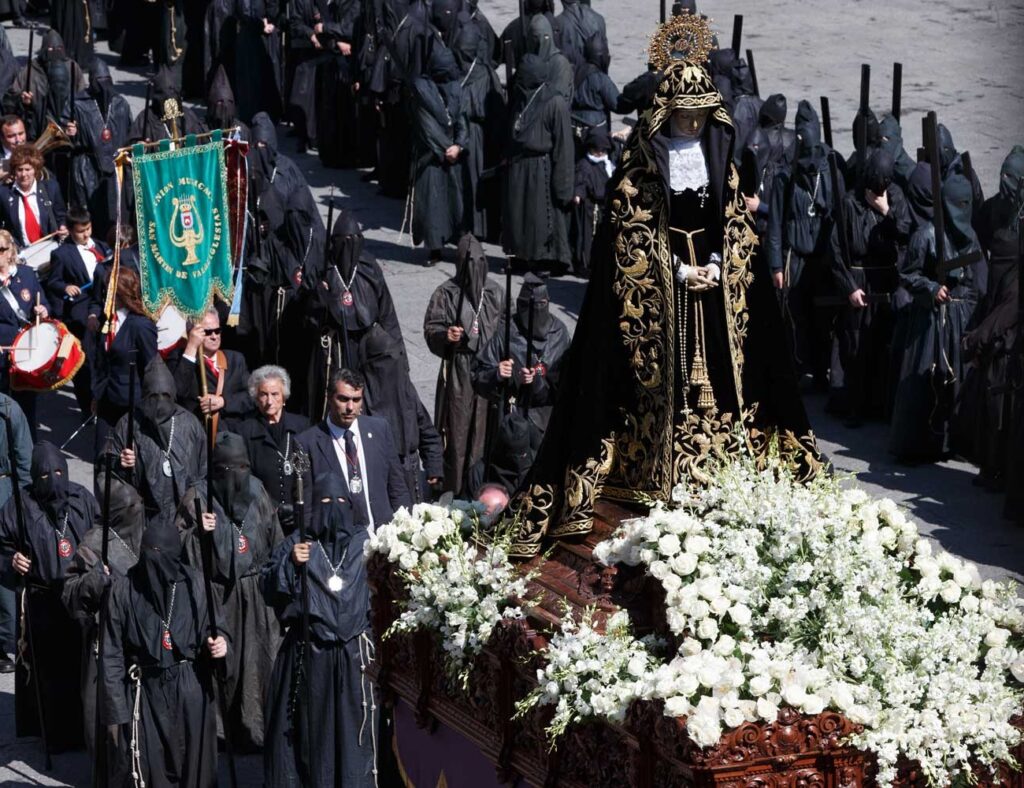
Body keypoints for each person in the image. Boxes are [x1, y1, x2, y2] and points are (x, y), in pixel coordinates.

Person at [505, 31, 823, 558]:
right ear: (667, 114)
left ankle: (725, 460)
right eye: (684, 116)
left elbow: (734, 224)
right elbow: (628, 235)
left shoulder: (720, 160)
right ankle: (652, 465)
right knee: (653, 385)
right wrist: (674, 269)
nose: (693, 125)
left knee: (729, 382)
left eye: (700, 116)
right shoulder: (640, 165)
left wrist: (721, 264)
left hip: (716, 297)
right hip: (661, 299)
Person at [262, 472, 377, 787]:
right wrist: (290, 565)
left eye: (340, 501)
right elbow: (268, 586)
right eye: (325, 502)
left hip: (355, 658)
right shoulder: (298, 542)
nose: (333, 508)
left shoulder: (364, 544)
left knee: (355, 737)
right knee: (315, 736)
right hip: (311, 656)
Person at [177, 432, 283, 752]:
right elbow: (180, 549)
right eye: (228, 470)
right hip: (219, 596)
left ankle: (258, 730)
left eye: (242, 468)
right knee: (226, 664)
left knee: (260, 662)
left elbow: (275, 541)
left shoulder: (257, 491)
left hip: (257, 593)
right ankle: (223, 733)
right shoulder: (197, 497)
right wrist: (199, 533)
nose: (236, 477)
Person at [101, 523, 227, 788]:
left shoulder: (195, 584)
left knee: (196, 766)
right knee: (150, 766)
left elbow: (215, 629)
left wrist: (221, 645)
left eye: (159, 551)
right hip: (145, 690)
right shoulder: (124, 589)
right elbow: (111, 653)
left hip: (190, 684)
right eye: (147, 550)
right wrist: (117, 713)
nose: (152, 558)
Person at [0, 442, 100, 752]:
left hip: (78, 598)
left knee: (82, 667)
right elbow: (2, 545)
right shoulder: (20, 505)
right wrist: (12, 559)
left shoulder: (81, 498)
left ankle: (86, 730)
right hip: (42, 599)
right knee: (49, 671)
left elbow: (101, 534)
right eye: (45, 474)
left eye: (58, 471)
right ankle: (54, 735)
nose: (53, 479)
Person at [890, 168, 981, 463]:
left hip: (961, 318)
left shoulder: (971, 236)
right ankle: (920, 444)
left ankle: (956, 441)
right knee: (925, 382)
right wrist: (930, 288)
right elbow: (908, 273)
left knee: (958, 382)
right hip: (932, 322)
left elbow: (977, 277)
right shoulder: (926, 235)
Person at [61, 478, 145, 766]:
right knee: (106, 718)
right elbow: (70, 593)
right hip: (105, 641)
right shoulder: (93, 544)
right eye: (131, 508)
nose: (137, 513)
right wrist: (97, 579)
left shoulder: (145, 535)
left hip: (141, 640)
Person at [955, 146, 1023, 487]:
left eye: (1013, 178)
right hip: (993, 297)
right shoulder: (996, 207)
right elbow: (975, 235)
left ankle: (1001, 467)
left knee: (1002, 396)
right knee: (986, 387)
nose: (1006, 183)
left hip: (1011, 312)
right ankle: (988, 462)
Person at [830, 150, 911, 426]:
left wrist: (885, 211)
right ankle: (855, 406)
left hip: (886, 280)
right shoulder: (850, 202)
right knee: (855, 344)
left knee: (882, 343)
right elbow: (837, 250)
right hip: (860, 281)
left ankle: (879, 404)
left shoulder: (896, 197)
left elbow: (905, 233)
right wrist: (849, 287)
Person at [767, 100, 845, 390]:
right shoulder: (785, 177)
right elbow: (775, 223)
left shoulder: (830, 172)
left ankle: (822, 369)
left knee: (823, 318)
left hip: (823, 258)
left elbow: (839, 216)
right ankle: (800, 368)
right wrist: (776, 264)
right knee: (796, 317)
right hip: (795, 258)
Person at [424, 234, 504, 496]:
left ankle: (480, 488)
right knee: (456, 432)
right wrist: (446, 336)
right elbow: (432, 328)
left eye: (479, 263)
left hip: (487, 367)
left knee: (484, 431)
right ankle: (454, 489)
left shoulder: (494, 293)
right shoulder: (446, 293)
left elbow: (506, 328)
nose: (474, 269)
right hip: (459, 367)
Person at [305, 210, 403, 419]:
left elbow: (386, 311)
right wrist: (318, 297)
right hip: (334, 349)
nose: (349, 246)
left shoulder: (369, 268)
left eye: (354, 241)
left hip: (367, 348)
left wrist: (399, 356)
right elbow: (306, 317)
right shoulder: (323, 268)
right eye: (344, 241)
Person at [297, 368, 411, 528]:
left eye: (356, 400)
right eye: (343, 399)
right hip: (340, 543)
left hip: (383, 538)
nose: (350, 407)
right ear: (329, 398)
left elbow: (397, 487)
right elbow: (307, 507)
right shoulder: (308, 443)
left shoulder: (379, 429)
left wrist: (406, 531)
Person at [473, 273, 570, 442]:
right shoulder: (507, 332)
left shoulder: (559, 333)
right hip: (512, 420)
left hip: (547, 423)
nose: (536, 312)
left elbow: (568, 380)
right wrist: (496, 374)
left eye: (541, 305)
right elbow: (477, 374)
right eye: (529, 306)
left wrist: (537, 381)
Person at [112, 356, 207, 527]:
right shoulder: (129, 424)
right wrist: (121, 463)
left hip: (185, 517)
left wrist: (195, 506)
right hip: (145, 519)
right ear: (144, 396)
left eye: (165, 395)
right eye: (153, 396)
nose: (159, 402)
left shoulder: (190, 424)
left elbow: (204, 470)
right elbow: (108, 473)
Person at [502, 54, 574, 275]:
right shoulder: (521, 96)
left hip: (541, 168)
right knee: (518, 215)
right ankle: (521, 256)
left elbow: (563, 147)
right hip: (519, 166)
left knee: (539, 218)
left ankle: (543, 259)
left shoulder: (554, 102)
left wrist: (563, 185)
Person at [359, 325, 444, 502]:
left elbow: (428, 433)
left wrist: (434, 467)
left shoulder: (405, 391)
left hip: (409, 474)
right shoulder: (359, 398)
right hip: (377, 478)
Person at [45, 207, 110, 415]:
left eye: (88, 229)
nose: (86, 234)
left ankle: (105, 400)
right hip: (81, 310)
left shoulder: (100, 246)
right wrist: (65, 287)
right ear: (71, 232)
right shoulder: (62, 254)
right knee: (87, 362)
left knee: (105, 357)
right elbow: (53, 281)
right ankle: (87, 408)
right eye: (81, 231)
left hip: (104, 305)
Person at [231, 365, 309, 534]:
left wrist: (298, 507)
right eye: (263, 394)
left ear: (284, 397)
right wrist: (273, 509)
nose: (269, 401)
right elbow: (245, 480)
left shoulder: (302, 427)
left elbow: (309, 474)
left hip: (299, 518)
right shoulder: (243, 431)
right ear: (256, 398)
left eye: (275, 394)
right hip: (262, 520)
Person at [409, 47, 468, 266]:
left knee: (455, 203)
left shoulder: (454, 89)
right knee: (433, 205)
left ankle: (458, 243)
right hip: (432, 156)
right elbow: (427, 128)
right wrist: (446, 148)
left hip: (452, 154)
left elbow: (462, 119)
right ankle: (434, 248)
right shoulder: (421, 91)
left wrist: (459, 145)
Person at [451, 23, 505, 243]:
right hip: (465, 129)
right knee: (461, 181)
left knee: (474, 180)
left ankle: (477, 226)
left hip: (477, 133)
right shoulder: (462, 70)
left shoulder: (484, 73)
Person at [68, 60, 133, 237]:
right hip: (87, 165)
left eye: (106, 80)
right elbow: (64, 135)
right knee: (90, 209)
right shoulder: (79, 103)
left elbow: (129, 133)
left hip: (115, 166)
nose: (103, 86)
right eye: (99, 81)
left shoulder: (121, 103)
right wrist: (71, 133)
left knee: (115, 211)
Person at [0, 227, 51, 435]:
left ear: (10, 250)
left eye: (1, 249)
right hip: (2, 353)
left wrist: (43, 310)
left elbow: (45, 303)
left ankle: (27, 454)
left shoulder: (27, 274)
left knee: (26, 407)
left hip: (26, 353)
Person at [171, 307, 252, 426]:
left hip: (232, 434)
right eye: (207, 332)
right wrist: (191, 348)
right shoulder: (180, 358)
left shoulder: (235, 359)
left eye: (217, 330)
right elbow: (177, 394)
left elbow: (252, 396)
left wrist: (223, 401)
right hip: (199, 432)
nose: (214, 336)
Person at [3, 28, 85, 140]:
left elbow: (82, 95)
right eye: (51, 49)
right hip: (37, 122)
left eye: (59, 48)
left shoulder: (72, 67)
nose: (55, 52)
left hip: (66, 121)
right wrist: (23, 101)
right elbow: (11, 98)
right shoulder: (31, 69)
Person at [0, 392, 30, 674]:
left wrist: (24, 511)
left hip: (4, 501)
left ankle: (3, 643)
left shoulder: (10, 410)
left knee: (6, 576)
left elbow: (24, 464)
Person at [0, 143, 68, 248]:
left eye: (28, 169)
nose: (24, 175)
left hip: (51, 247)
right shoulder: (4, 193)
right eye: (20, 169)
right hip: (22, 252)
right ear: (14, 171)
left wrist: (63, 226)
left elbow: (61, 216)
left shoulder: (51, 188)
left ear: (35, 170)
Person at [571, 126, 614, 276]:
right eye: (597, 150)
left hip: (604, 206)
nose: (600, 153)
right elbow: (580, 182)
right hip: (590, 208)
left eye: (603, 150)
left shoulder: (606, 163)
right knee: (588, 237)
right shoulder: (585, 164)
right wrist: (578, 194)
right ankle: (586, 263)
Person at [129, 66, 208, 143]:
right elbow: (133, 144)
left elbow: (202, 142)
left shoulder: (187, 116)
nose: (169, 107)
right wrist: (141, 147)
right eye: (164, 101)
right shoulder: (145, 118)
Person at [527, 15, 573, 103]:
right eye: (533, 37)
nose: (537, 42)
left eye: (539, 37)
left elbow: (558, 97)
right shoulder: (530, 61)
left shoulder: (560, 64)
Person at [555, 0, 607, 69]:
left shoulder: (558, 22)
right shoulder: (599, 18)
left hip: (574, 73)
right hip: (598, 72)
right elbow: (605, 55)